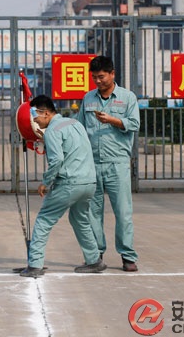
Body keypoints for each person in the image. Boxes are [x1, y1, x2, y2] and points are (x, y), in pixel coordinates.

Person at [19, 95, 104, 278]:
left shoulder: (52, 131)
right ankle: (94, 260)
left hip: (69, 183)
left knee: (44, 220)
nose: (34, 120)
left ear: (46, 113)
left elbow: (57, 160)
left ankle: (35, 265)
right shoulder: (75, 123)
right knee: (80, 219)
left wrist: (45, 182)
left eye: (35, 115)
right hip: (89, 182)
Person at [76, 55, 140, 272]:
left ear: (112, 74)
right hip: (92, 164)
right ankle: (95, 256)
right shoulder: (88, 98)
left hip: (117, 163)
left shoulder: (127, 97)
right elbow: (79, 127)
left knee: (123, 212)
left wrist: (112, 120)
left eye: (101, 76)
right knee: (92, 212)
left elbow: (134, 124)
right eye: (94, 77)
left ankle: (128, 256)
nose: (98, 81)